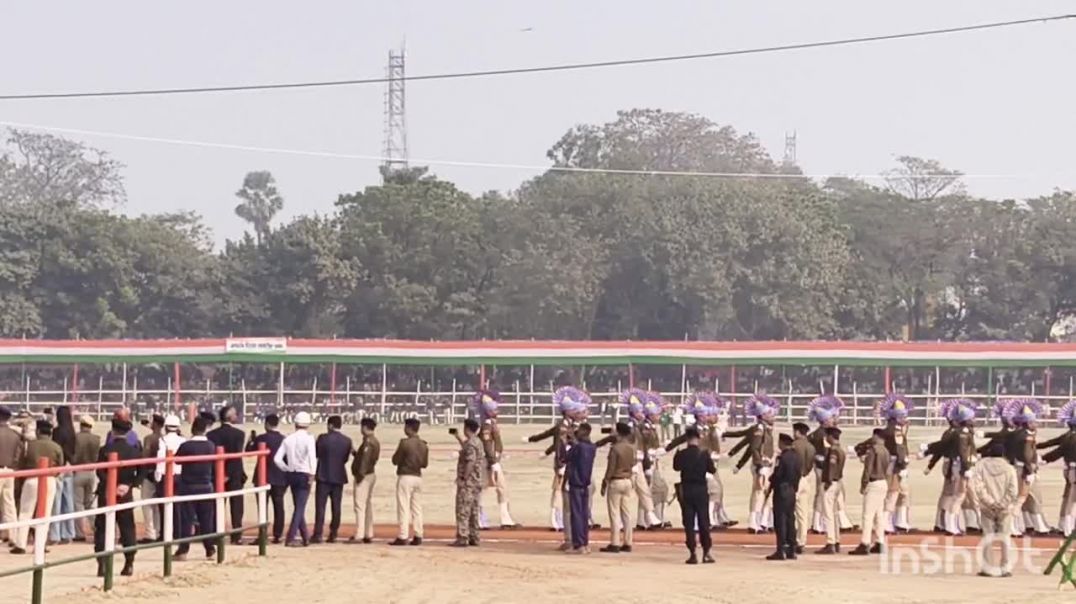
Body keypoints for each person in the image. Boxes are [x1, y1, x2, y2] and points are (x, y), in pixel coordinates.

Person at [93, 417, 141, 577]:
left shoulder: (104, 450)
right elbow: (142, 471)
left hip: (106, 493)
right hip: (125, 493)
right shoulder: (134, 451)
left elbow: (99, 471)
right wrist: (129, 485)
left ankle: (102, 565)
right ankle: (129, 563)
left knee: (102, 529)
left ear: (112, 431)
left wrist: (110, 485)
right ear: (128, 432)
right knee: (127, 528)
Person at [726, 394, 778, 534]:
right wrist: (760, 465)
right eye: (769, 413)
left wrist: (739, 463)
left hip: (767, 465)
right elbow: (754, 448)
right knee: (758, 494)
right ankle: (754, 523)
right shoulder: (759, 429)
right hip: (762, 466)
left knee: (765, 494)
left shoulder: (764, 428)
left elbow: (746, 443)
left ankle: (763, 522)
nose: (772, 415)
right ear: (762, 415)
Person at [12, 420, 64, 554]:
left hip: (31, 478)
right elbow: (60, 465)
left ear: (38, 431)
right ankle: (40, 545)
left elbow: (21, 464)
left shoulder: (29, 445)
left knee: (25, 512)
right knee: (45, 513)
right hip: (50, 479)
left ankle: (21, 544)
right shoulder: (56, 447)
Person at [968, 443, 1019, 577]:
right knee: (1005, 538)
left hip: (987, 507)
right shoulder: (1009, 469)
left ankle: (988, 568)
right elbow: (1013, 490)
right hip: (1005, 508)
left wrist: (989, 502)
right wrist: (1002, 503)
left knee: (987, 537)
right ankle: (1006, 567)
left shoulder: (981, 467)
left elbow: (979, 487)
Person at [175, 417, 217, 560]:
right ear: (205, 430)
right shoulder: (211, 446)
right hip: (206, 486)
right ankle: (210, 549)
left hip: (188, 486)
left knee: (186, 520)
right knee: (206, 520)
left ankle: (183, 551)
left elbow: (175, 460)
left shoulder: (186, 446)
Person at [673, 426, 716, 564]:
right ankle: (706, 552)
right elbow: (712, 469)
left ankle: (692, 553)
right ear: (698, 438)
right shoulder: (704, 454)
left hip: (686, 489)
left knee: (689, 523)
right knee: (704, 521)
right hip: (701, 490)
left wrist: (676, 454)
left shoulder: (682, 454)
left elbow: (676, 467)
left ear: (687, 439)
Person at [274, 411, 317, 547]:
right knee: (300, 507)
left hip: (292, 474)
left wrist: (286, 468)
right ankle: (291, 536)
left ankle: (305, 536)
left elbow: (277, 459)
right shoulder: (309, 439)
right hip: (304, 474)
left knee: (299, 506)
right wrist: (312, 473)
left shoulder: (288, 439)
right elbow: (312, 457)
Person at [206, 405, 247, 545]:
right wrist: (229, 473)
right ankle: (237, 536)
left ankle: (218, 535)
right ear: (230, 417)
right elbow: (236, 456)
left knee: (218, 506)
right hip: (235, 474)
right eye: (235, 414)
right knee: (237, 507)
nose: (237, 416)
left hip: (217, 473)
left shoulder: (211, 435)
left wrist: (222, 473)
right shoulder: (239, 434)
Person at [312, 415, 352, 544]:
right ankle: (333, 533)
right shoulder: (347, 440)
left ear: (330, 425)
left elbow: (316, 454)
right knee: (336, 507)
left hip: (323, 475)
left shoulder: (323, 438)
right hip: (338, 476)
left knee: (320, 507)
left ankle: (318, 534)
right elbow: (345, 459)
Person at [850, 428, 890, 555]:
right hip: (883, 482)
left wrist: (863, 484)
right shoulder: (886, 451)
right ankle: (880, 541)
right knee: (879, 515)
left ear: (876, 436)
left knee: (867, 515)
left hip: (873, 482)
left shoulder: (873, 450)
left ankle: (865, 542)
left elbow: (868, 468)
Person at [246, 413, 286, 544]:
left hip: (263, 477)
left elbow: (249, 452)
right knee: (279, 506)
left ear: (267, 424)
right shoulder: (283, 439)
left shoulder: (261, 438)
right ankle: (278, 534)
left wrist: (250, 441)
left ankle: (263, 535)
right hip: (280, 477)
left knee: (262, 507)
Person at [390, 417, 428, 546]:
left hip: (405, 476)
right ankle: (418, 534)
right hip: (418, 476)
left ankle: (403, 535)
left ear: (409, 428)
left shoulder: (404, 443)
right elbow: (424, 464)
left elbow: (395, 460)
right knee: (417, 508)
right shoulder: (423, 444)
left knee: (403, 507)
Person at [1039, 400, 1076, 535]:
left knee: (1068, 498)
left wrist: (1041, 454)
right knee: (1071, 501)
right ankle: (1068, 528)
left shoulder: (1068, 436)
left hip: (1069, 470)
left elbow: (1054, 446)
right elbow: (1058, 451)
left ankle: (1063, 525)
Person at [600, 422, 636, 553]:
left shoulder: (615, 448)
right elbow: (633, 463)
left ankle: (615, 542)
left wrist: (605, 481)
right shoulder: (631, 447)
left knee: (614, 513)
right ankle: (628, 542)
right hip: (627, 480)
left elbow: (611, 468)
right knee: (626, 513)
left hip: (616, 480)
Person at [768, 433, 802, 561]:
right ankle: (791, 549)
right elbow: (799, 473)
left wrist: (771, 482)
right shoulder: (796, 456)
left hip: (782, 489)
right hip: (792, 489)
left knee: (780, 521)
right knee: (790, 520)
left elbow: (778, 474)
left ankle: (781, 549)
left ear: (782, 443)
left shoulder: (782, 458)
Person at [451, 419, 485, 547]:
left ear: (467, 428)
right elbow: (467, 448)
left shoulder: (471, 444)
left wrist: (463, 478)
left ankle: (462, 537)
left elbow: (470, 461)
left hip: (468, 483)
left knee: (463, 510)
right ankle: (474, 536)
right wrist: (458, 437)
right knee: (474, 510)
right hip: (476, 482)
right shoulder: (477, 442)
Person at [565, 422, 597, 554]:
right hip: (585, 482)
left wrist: (568, 442)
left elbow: (565, 457)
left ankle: (578, 544)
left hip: (576, 482)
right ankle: (584, 542)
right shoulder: (592, 447)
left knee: (576, 514)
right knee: (584, 515)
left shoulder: (578, 447)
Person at [155, 415, 186, 543]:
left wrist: (158, 475)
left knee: (164, 507)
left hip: (165, 475)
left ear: (166, 427)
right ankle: (178, 534)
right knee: (178, 507)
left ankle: (165, 534)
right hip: (179, 475)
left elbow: (160, 458)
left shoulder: (162, 440)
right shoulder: (183, 440)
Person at [349, 417, 380, 544]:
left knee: (360, 506)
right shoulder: (374, 441)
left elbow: (365, 460)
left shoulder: (368, 442)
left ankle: (359, 534)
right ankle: (368, 532)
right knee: (367, 505)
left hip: (364, 475)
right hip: (370, 474)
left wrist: (359, 475)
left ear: (365, 427)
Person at [815, 427, 846, 554]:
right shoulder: (841, 450)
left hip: (831, 482)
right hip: (837, 482)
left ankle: (830, 542)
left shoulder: (833, 451)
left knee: (828, 514)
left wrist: (827, 481)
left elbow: (831, 467)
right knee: (834, 513)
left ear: (831, 437)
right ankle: (836, 540)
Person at [72, 415, 101, 543]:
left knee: (78, 503)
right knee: (89, 503)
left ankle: (79, 532)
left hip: (79, 471)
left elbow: (75, 456)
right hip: (91, 472)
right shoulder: (96, 438)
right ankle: (96, 528)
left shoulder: (76, 438)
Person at [790, 422, 816, 555]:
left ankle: (791, 539)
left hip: (796, 479)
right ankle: (802, 541)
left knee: (789, 511)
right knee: (803, 513)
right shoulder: (811, 447)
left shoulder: (795, 445)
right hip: (806, 478)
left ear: (797, 432)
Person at [138, 414, 164, 544]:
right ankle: (158, 530)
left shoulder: (149, 438)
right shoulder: (163, 438)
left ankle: (150, 532)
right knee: (157, 506)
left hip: (149, 474)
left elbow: (145, 456)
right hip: (160, 474)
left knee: (147, 504)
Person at [0, 406, 23, 544]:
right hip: (10, 471)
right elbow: (18, 454)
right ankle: (13, 535)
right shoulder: (15, 435)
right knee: (9, 504)